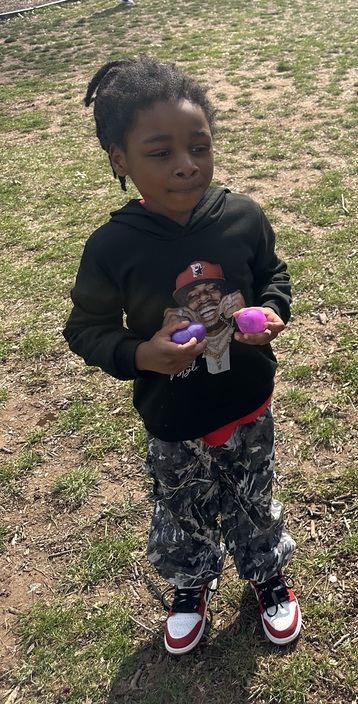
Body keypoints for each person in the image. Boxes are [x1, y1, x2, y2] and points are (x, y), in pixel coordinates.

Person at [63, 55, 301, 655]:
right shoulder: (113, 246)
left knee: (254, 493)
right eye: (160, 151)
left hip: (248, 400)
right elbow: (86, 328)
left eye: (199, 145)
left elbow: (272, 275)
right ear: (120, 159)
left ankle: (266, 573)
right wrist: (142, 353)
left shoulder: (242, 217)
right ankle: (190, 586)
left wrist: (272, 312)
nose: (186, 165)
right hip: (172, 416)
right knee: (182, 506)